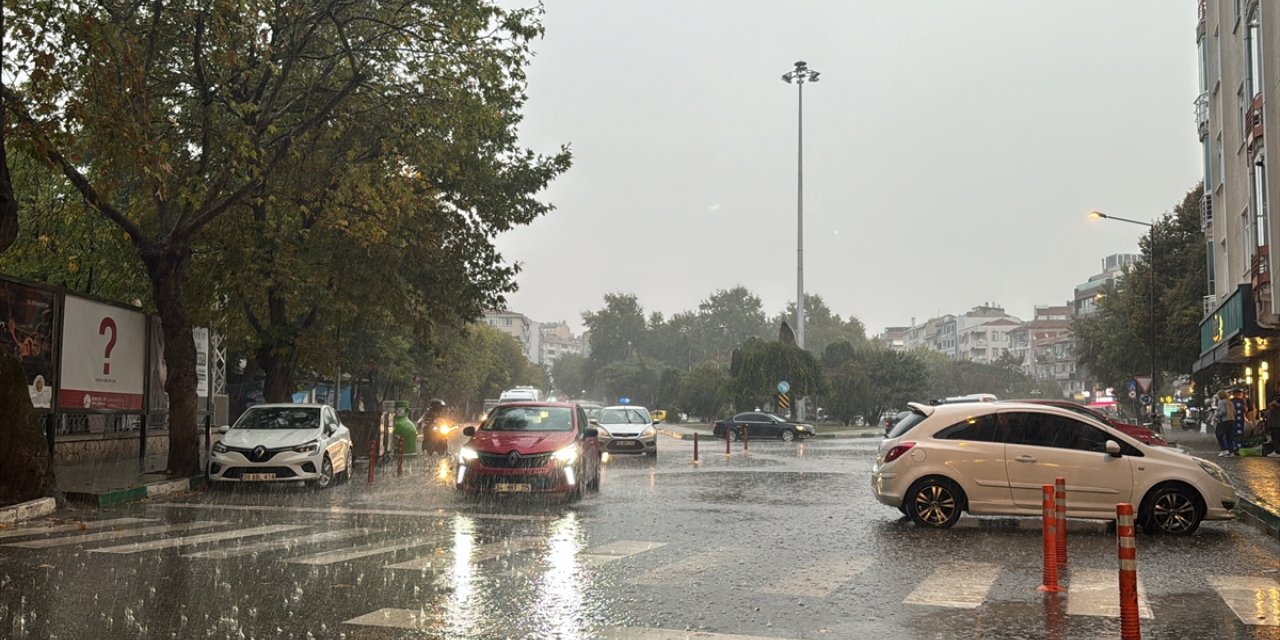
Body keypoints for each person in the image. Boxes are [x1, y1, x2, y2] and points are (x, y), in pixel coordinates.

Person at [1215, 390, 1233, 457]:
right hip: (1231, 420)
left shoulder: (1221, 402)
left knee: (1219, 434)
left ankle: (1224, 449)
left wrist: (1217, 414)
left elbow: (1223, 411)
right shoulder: (1230, 402)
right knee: (1229, 436)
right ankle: (1231, 450)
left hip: (1224, 421)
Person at [1230, 388, 1248, 456]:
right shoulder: (1240, 401)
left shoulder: (1239, 401)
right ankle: (1238, 447)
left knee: (1235, 434)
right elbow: (1245, 409)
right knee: (1237, 434)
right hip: (1238, 420)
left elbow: (1245, 409)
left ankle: (1236, 448)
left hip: (1237, 420)